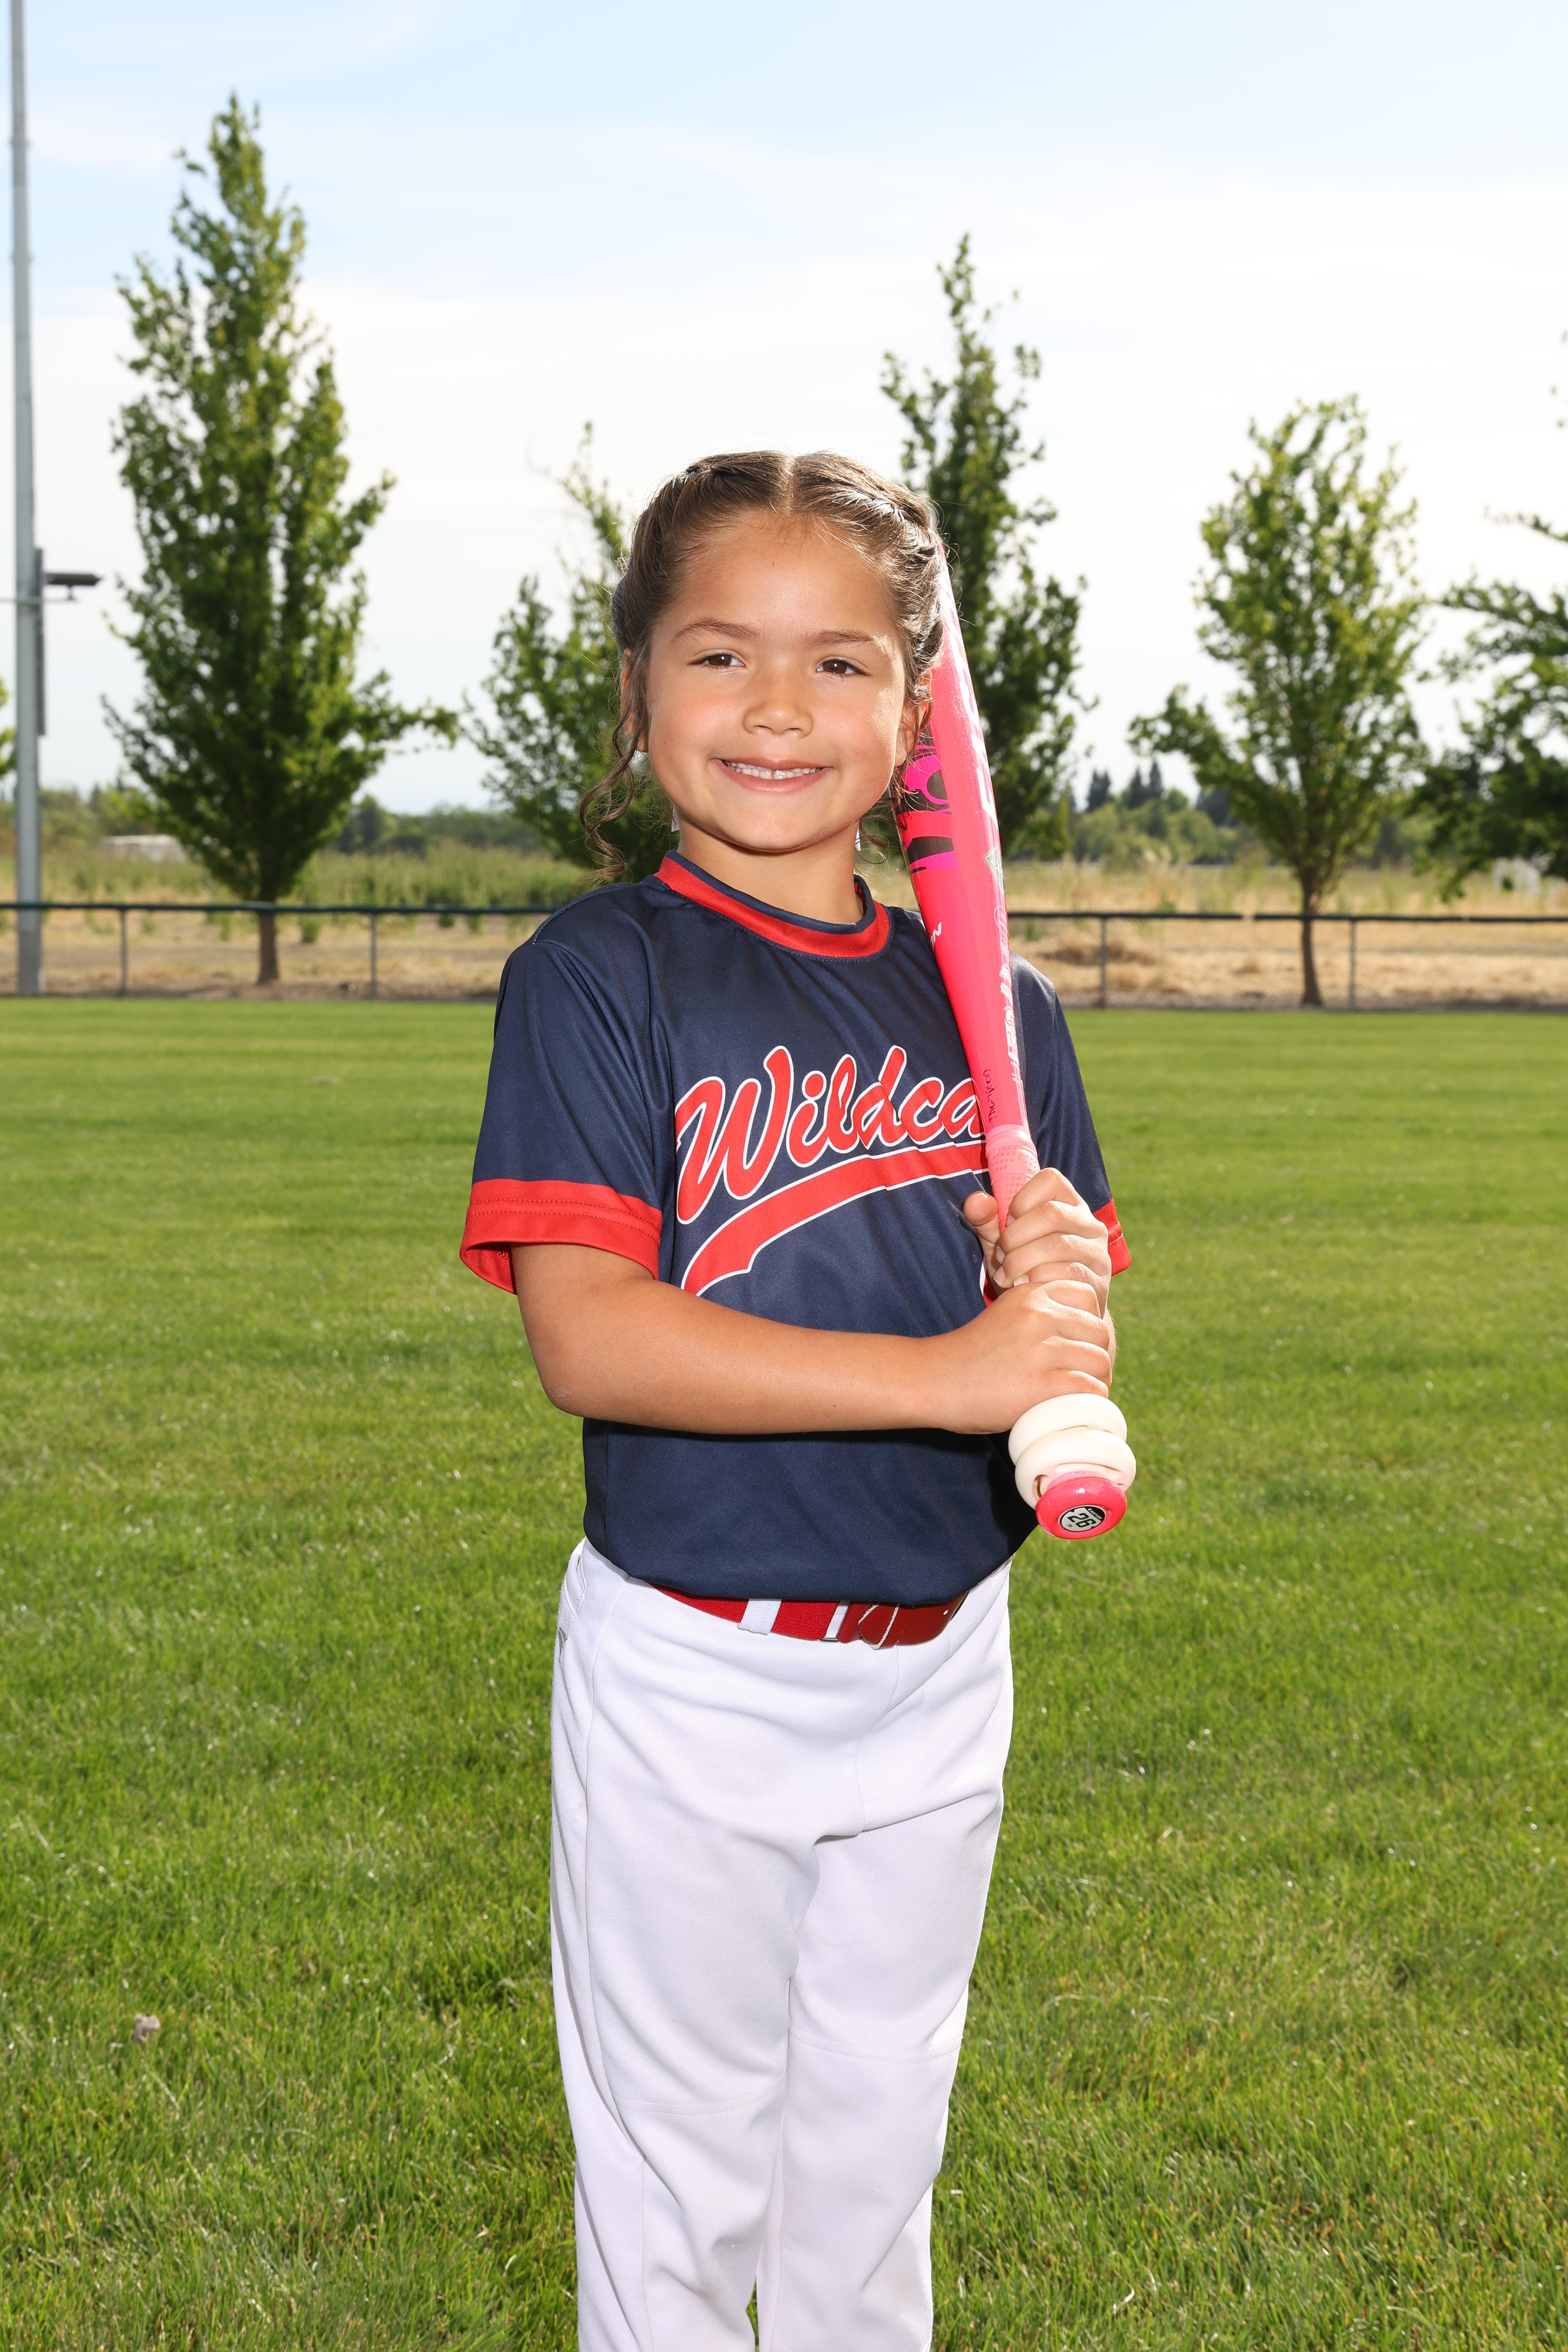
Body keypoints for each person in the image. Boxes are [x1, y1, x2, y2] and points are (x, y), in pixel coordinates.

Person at [460, 451, 1129, 2352]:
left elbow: (1050, 1332)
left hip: (943, 1657)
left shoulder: (999, 1006)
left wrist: (1050, 1289)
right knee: (679, 2190)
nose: (775, 707)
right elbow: (592, 1337)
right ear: (636, 692)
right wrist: (953, 1373)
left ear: (917, 718)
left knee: (869, 2171)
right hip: (698, 1669)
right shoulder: (602, 974)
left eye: (840, 662)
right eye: (718, 654)